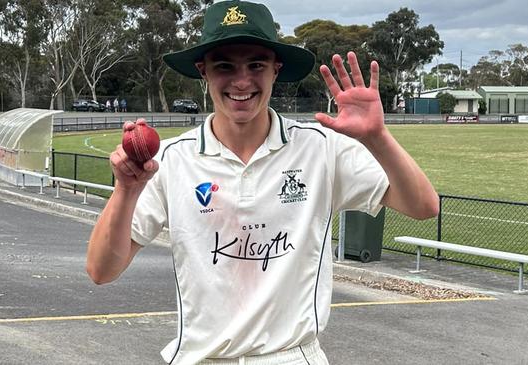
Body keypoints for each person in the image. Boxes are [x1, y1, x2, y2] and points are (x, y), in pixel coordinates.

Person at [87, 1, 439, 364]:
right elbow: (102, 270)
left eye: (256, 64)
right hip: (202, 357)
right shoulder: (173, 160)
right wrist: (126, 191)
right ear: (202, 71)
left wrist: (377, 138)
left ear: (276, 69)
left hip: (291, 355)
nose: (242, 81)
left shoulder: (320, 148)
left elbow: (423, 206)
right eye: (225, 66)